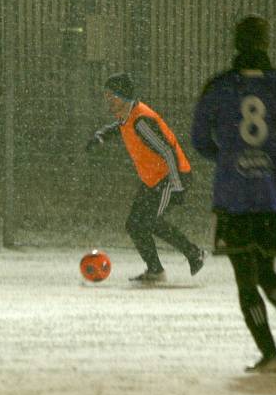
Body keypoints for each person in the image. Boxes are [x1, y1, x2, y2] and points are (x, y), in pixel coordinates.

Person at [190, 16, 276, 374]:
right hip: (270, 195)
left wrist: (226, 158)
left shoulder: (219, 87)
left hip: (234, 195)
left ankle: (270, 355)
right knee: (266, 272)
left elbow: (199, 137)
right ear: (266, 43)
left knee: (245, 280)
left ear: (236, 43)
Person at [86, 72, 205, 283]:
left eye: (111, 96)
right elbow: (121, 127)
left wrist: (177, 185)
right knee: (134, 224)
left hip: (171, 177)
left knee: (149, 222)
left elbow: (168, 151)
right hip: (154, 179)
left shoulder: (141, 120)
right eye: (106, 96)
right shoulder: (128, 116)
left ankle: (193, 253)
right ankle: (156, 271)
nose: (108, 101)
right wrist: (102, 135)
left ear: (124, 97)